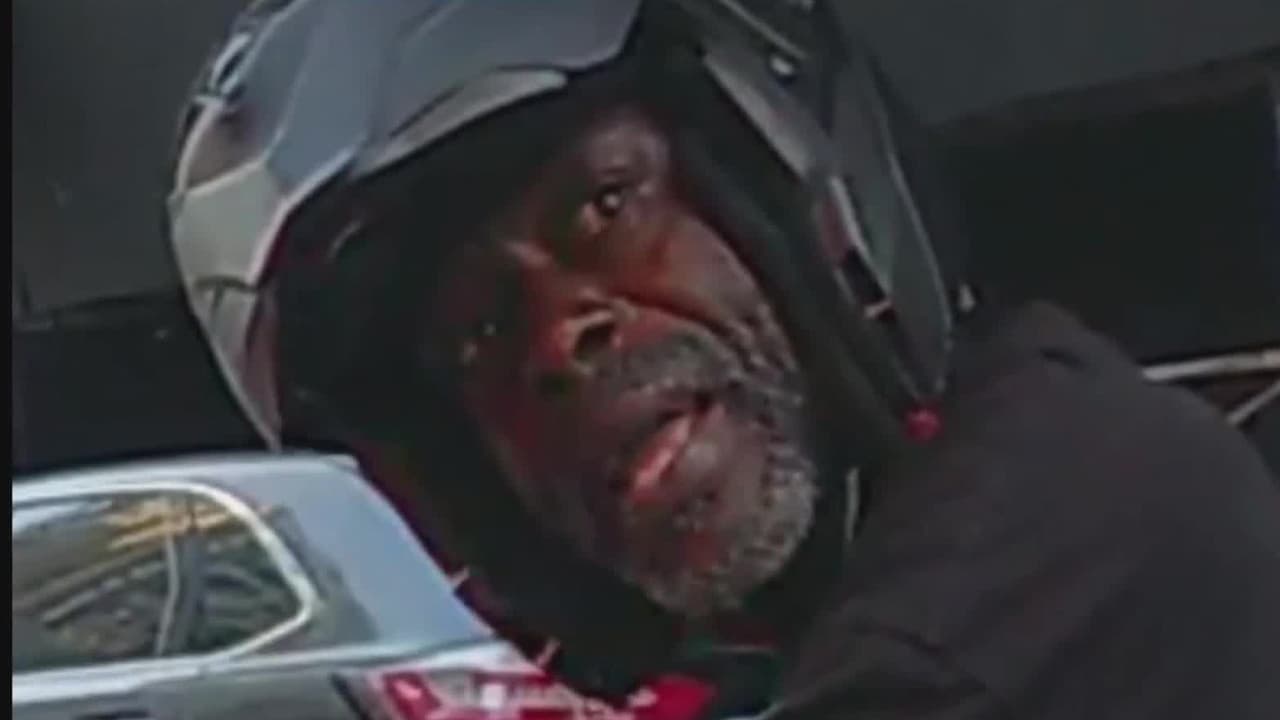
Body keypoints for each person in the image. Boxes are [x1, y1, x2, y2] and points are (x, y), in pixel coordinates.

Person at [167, 1, 1280, 717]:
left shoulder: (1050, 550)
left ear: (773, 188)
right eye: (483, 334)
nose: (559, 341)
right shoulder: (887, 571)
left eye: (604, 208)